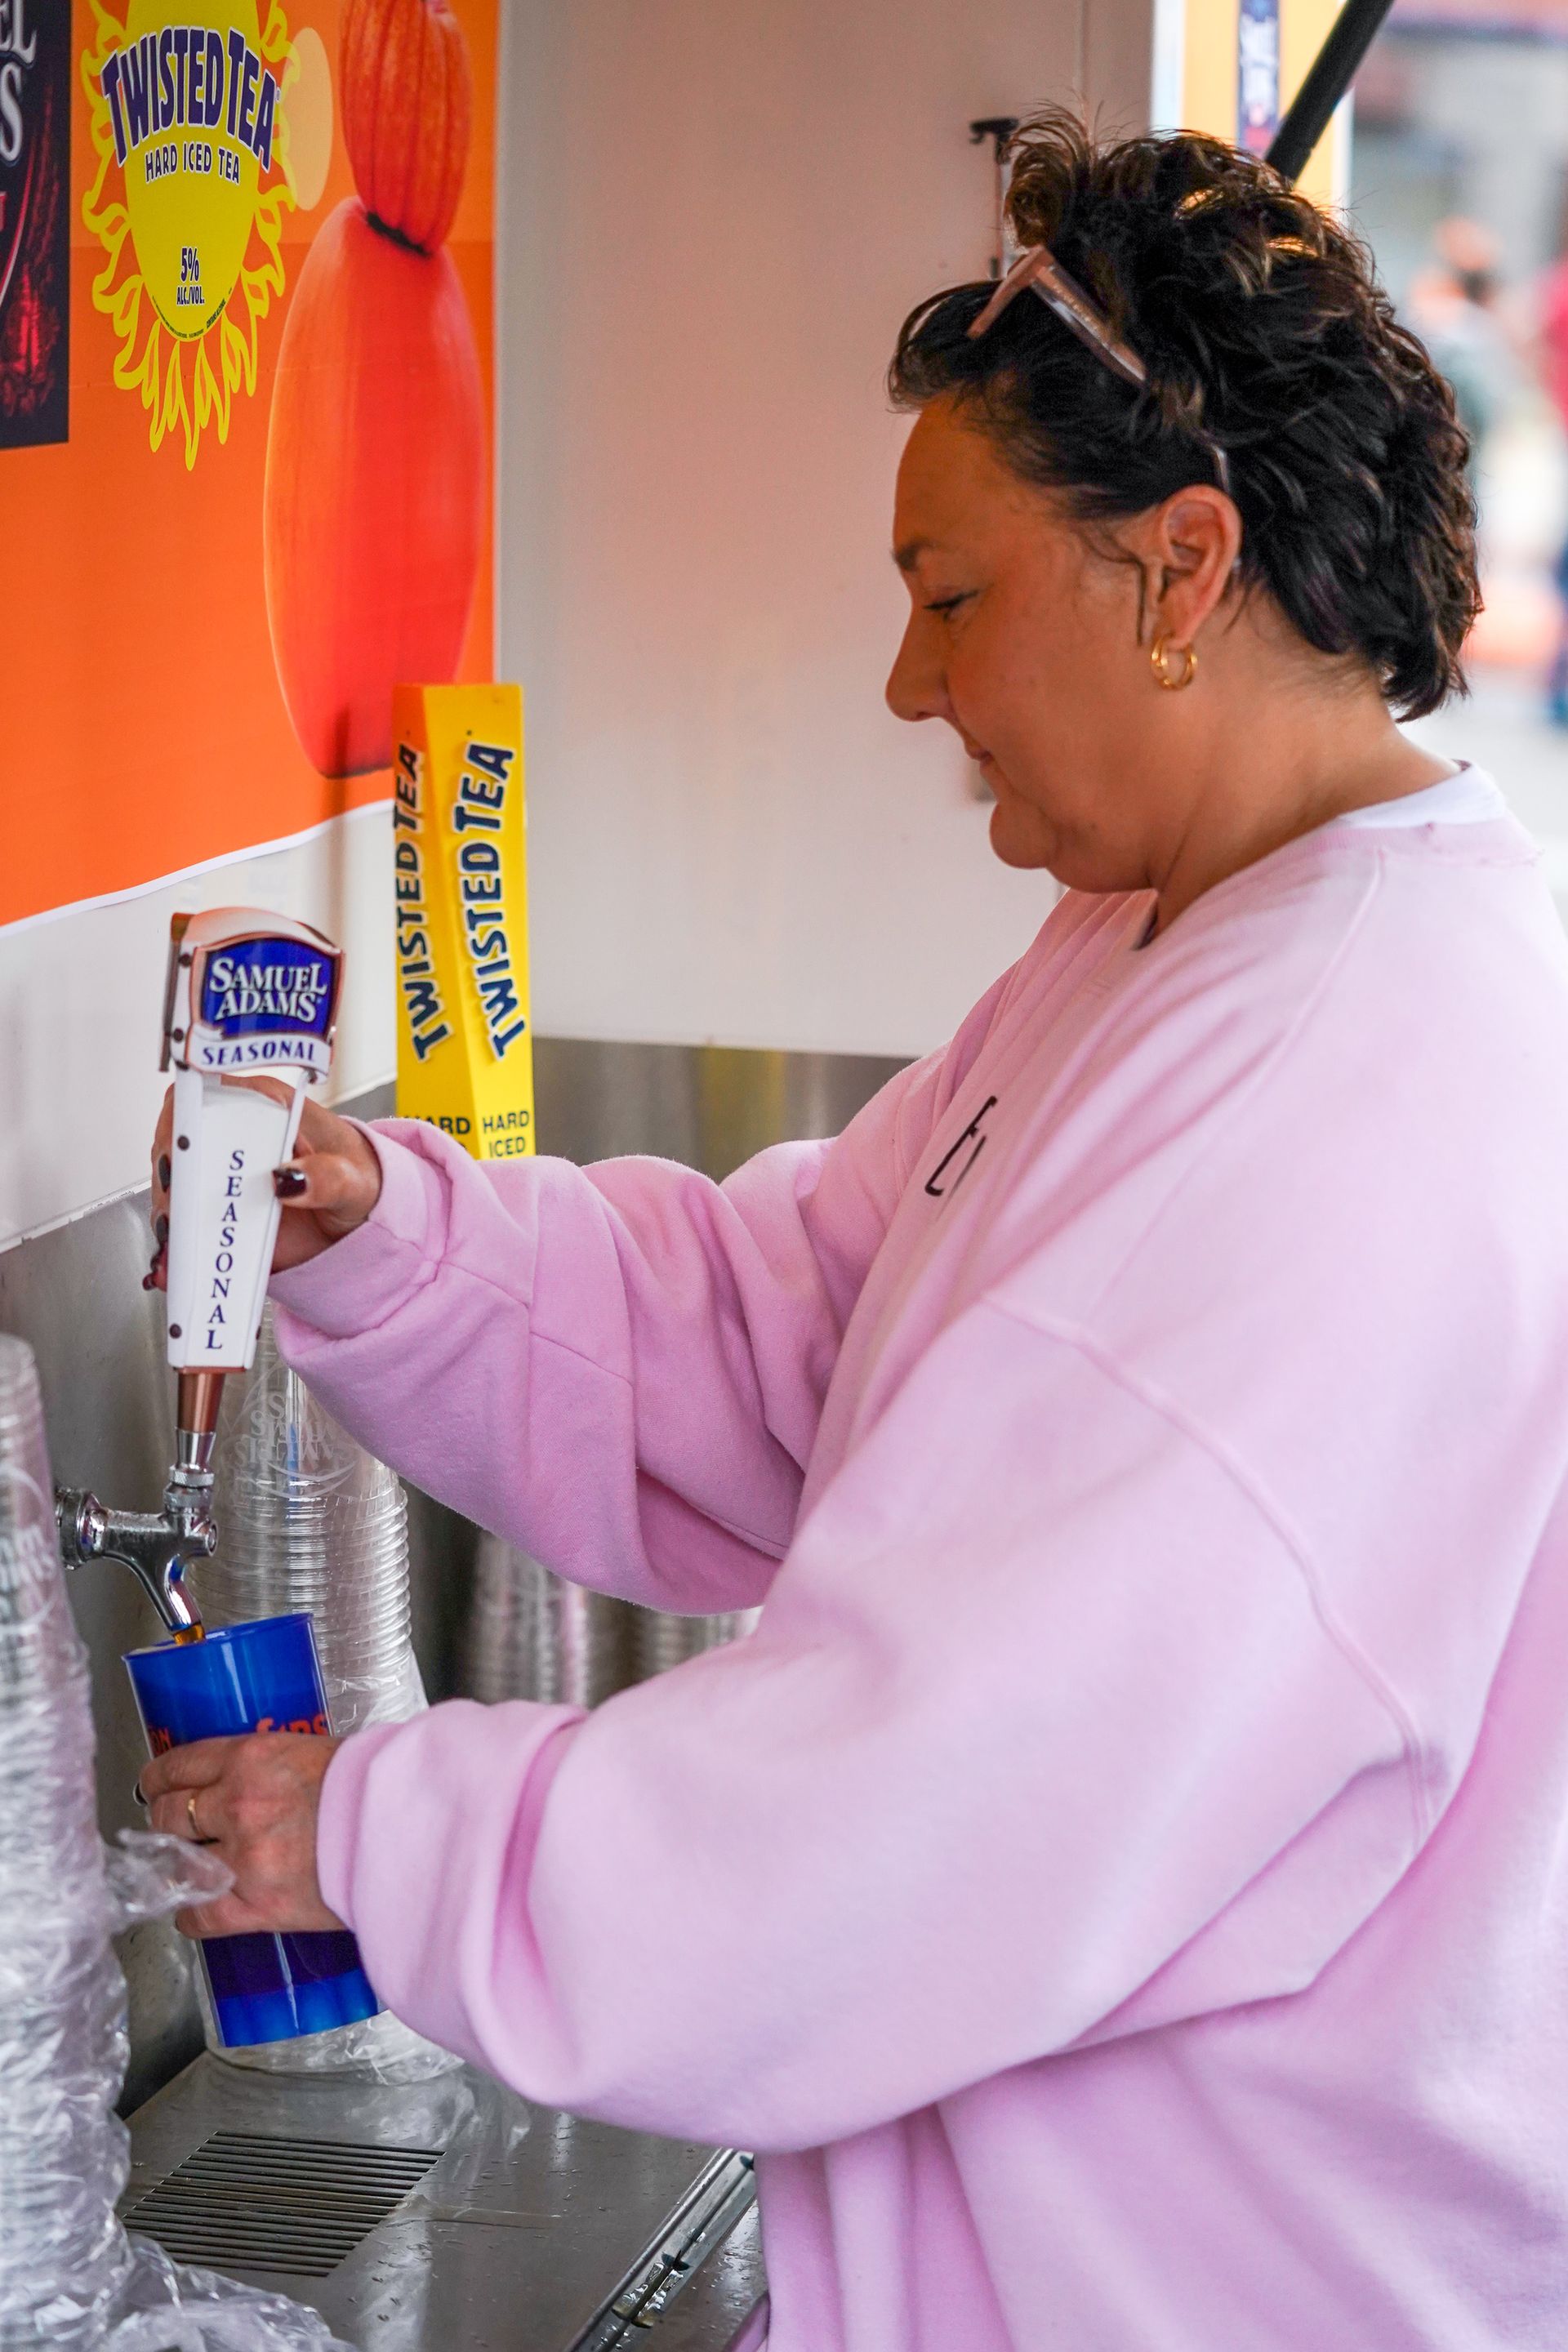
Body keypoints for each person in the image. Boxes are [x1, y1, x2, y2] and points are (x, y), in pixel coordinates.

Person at [140, 118, 1568, 2351]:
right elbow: (810, 1330)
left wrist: (376, 1842)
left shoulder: (1334, 1087)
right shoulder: (1170, 953)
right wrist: (383, 1229)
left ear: (1185, 572)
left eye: (953, 595)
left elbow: (924, 1814)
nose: (911, 689)